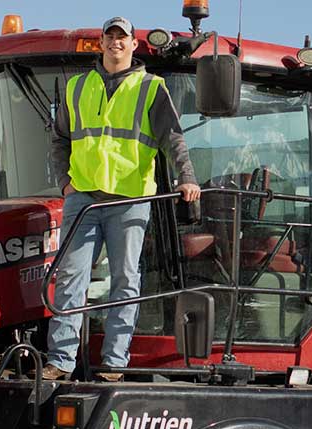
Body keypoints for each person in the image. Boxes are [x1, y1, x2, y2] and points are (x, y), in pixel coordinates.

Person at [43, 16, 201, 381]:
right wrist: (66, 183)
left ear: (133, 45)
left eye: (122, 37)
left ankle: (114, 363)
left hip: (129, 200)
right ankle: (61, 361)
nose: (115, 42)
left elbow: (173, 139)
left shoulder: (151, 88)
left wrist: (187, 178)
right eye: (109, 36)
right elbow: (59, 140)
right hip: (83, 199)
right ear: (101, 43)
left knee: (124, 278)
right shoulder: (76, 88)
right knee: (70, 276)